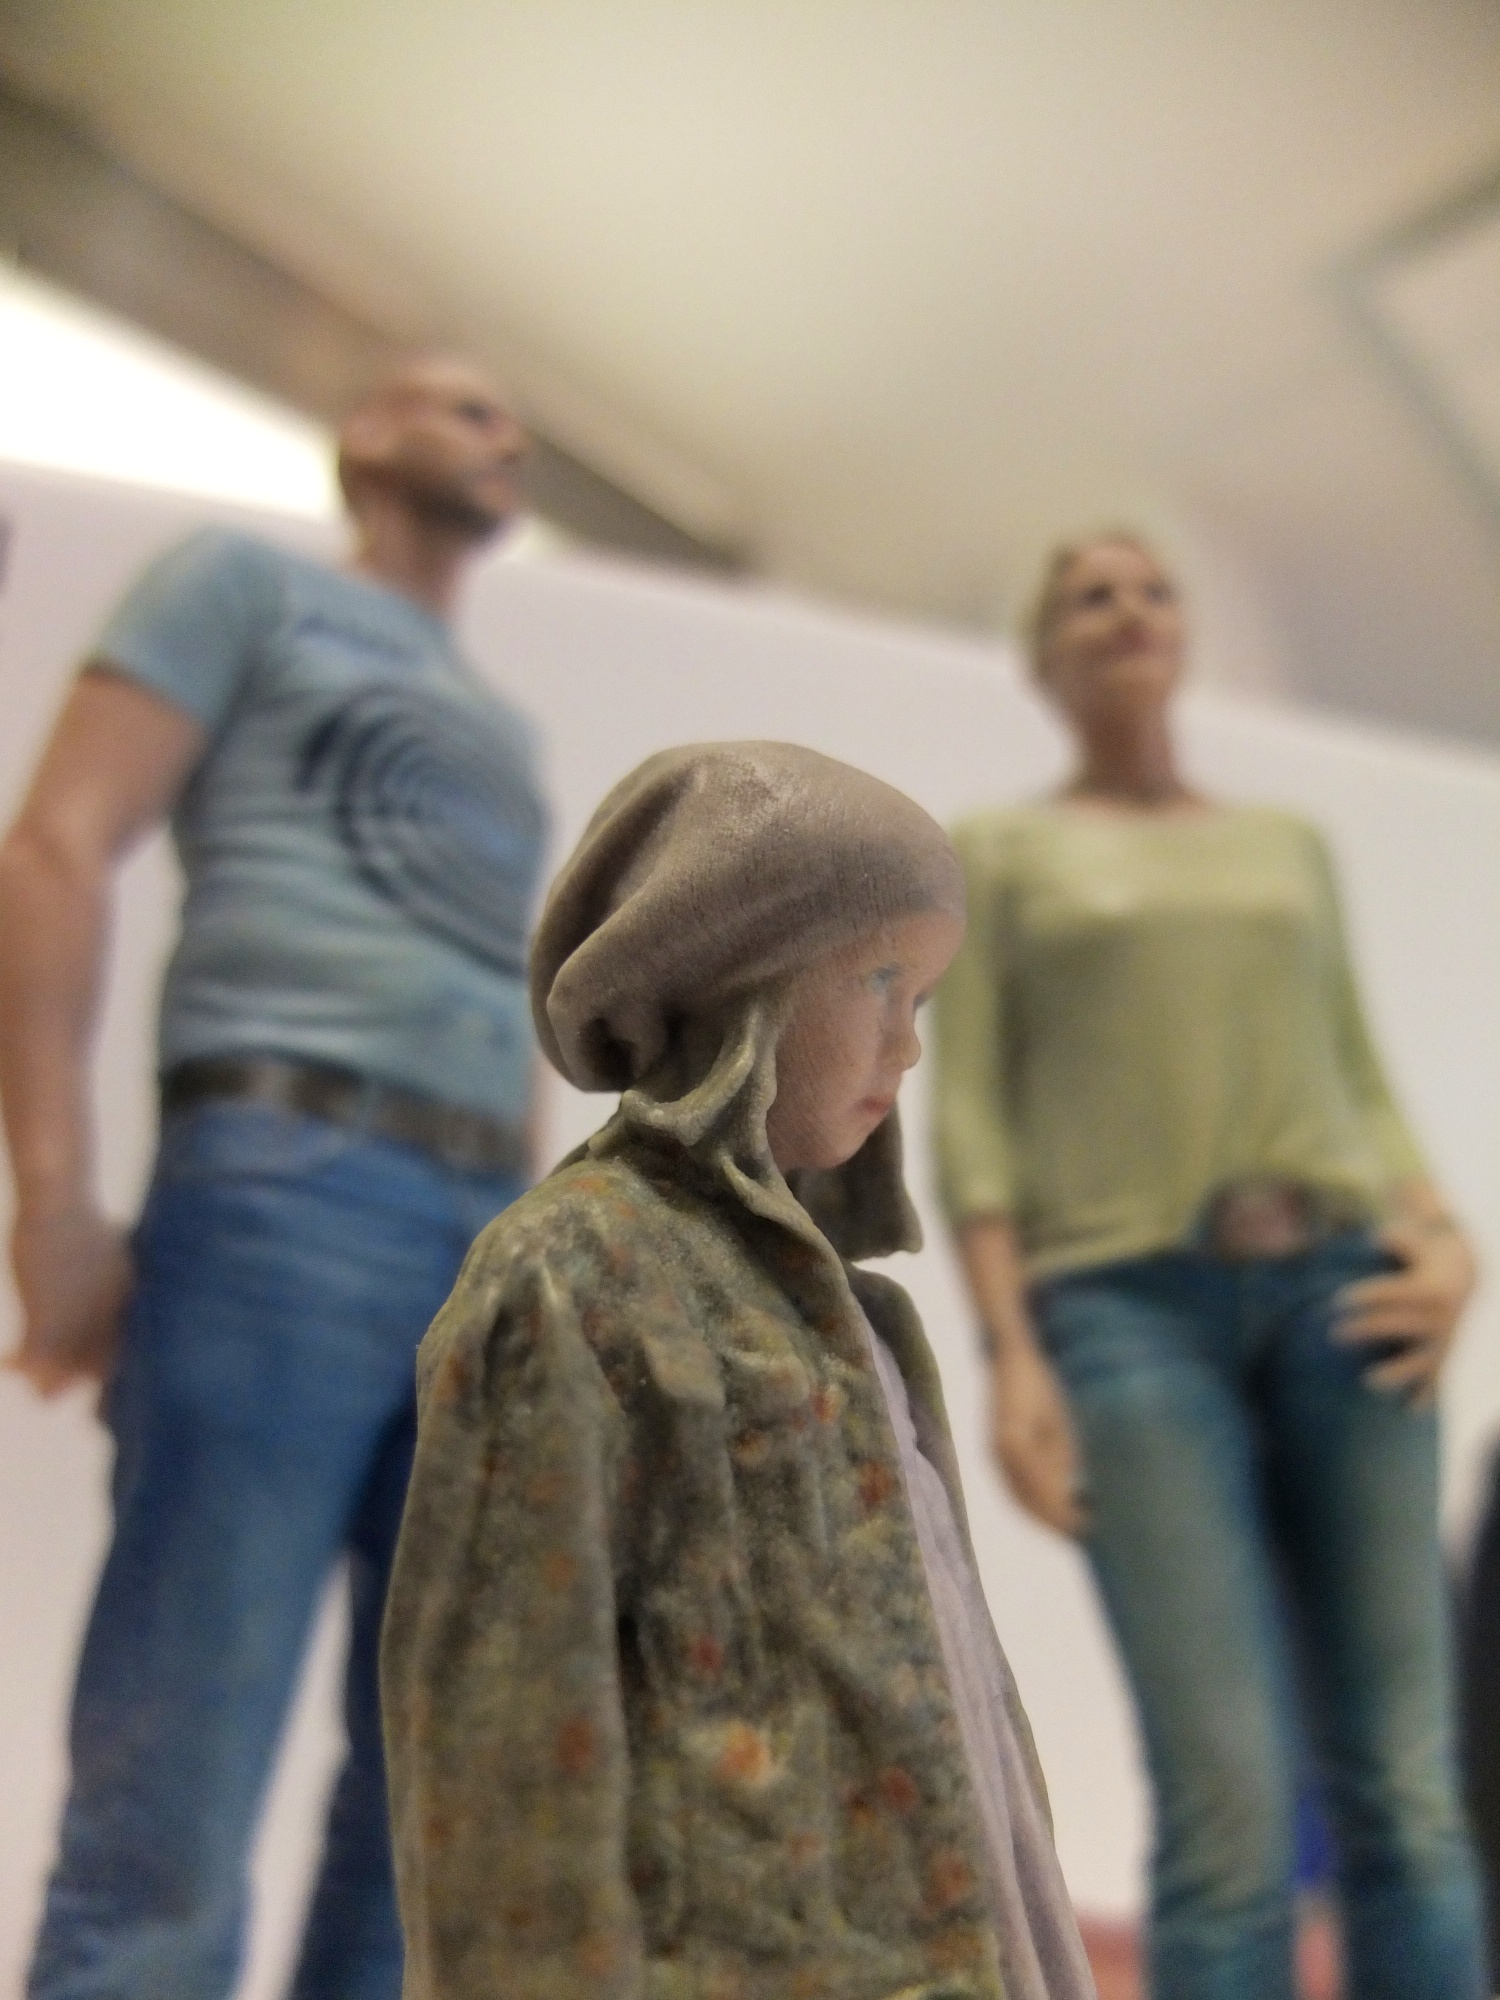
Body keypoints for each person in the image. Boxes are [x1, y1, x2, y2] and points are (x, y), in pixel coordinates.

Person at [0, 356, 550, 2000]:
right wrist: (54, 1199)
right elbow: (56, 846)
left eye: (510, 419)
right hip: (281, 1183)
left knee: (428, 1793)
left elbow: (509, 996)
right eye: (461, 405)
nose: (502, 432)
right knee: (182, 1761)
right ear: (365, 436)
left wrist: (539, 1255)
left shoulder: (508, 731)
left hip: (482, 1240)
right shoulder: (239, 586)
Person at [380, 742, 1098, 2000]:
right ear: (737, 973)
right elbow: (503, 1733)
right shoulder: (572, 1271)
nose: (908, 1047)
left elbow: (965, 1707)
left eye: (924, 1001)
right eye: (880, 981)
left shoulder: (861, 1316)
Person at [930, 531, 1484, 1999]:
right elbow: (973, 1114)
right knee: (1224, 1799)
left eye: (1151, 588)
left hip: (1345, 1286)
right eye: (1086, 595)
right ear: (1043, 656)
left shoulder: (1286, 845)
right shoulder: (1000, 852)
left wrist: (1445, 1238)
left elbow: (1356, 1071)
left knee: (1407, 1787)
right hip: (1126, 1313)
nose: (1126, 609)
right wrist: (1010, 1355)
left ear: (1182, 634)